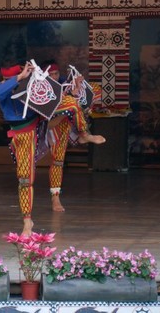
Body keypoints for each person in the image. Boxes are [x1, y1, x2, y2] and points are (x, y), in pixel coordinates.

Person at [0, 62, 105, 236]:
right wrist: (19, 78)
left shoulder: (33, 85)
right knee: (25, 180)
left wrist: (75, 89)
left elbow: (56, 98)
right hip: (23, 134)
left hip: (41, 122)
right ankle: (27, 221)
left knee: (72, 104)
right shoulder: (1, 89)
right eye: (9, 78)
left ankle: (84, 134)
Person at [41, 61, 105, 213]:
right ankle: (55, 198)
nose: (54, 77)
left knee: (89, 92)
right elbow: (46, 124)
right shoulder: (40, 92)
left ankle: (84, 134)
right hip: (48, 128)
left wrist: (78, 91)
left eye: (55, 74)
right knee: (55, 161)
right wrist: (69, 106)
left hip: (65, 125)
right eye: (49, 75)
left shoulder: (65, 85)